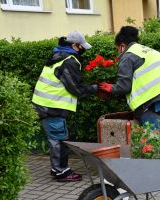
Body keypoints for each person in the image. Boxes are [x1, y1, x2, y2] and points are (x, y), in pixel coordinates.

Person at [32, 31, 97, 182]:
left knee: (59, 138)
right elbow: (75, 88)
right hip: (50, 106)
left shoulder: (58, 56)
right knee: (59, 140)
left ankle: (58, 168)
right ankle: (61, 172)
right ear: (74, 45)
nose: (83, 51)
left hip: (46, 104)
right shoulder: (68, 61)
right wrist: (95, 89)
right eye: (82, 47)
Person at [99, 26, 160, 130]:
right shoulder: (149, 51)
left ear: (122, 46)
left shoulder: (127, 57)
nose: (117, 52)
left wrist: (111, 88)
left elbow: (124, 87)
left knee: (152, 140)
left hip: (157, 100)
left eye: (117, 49)